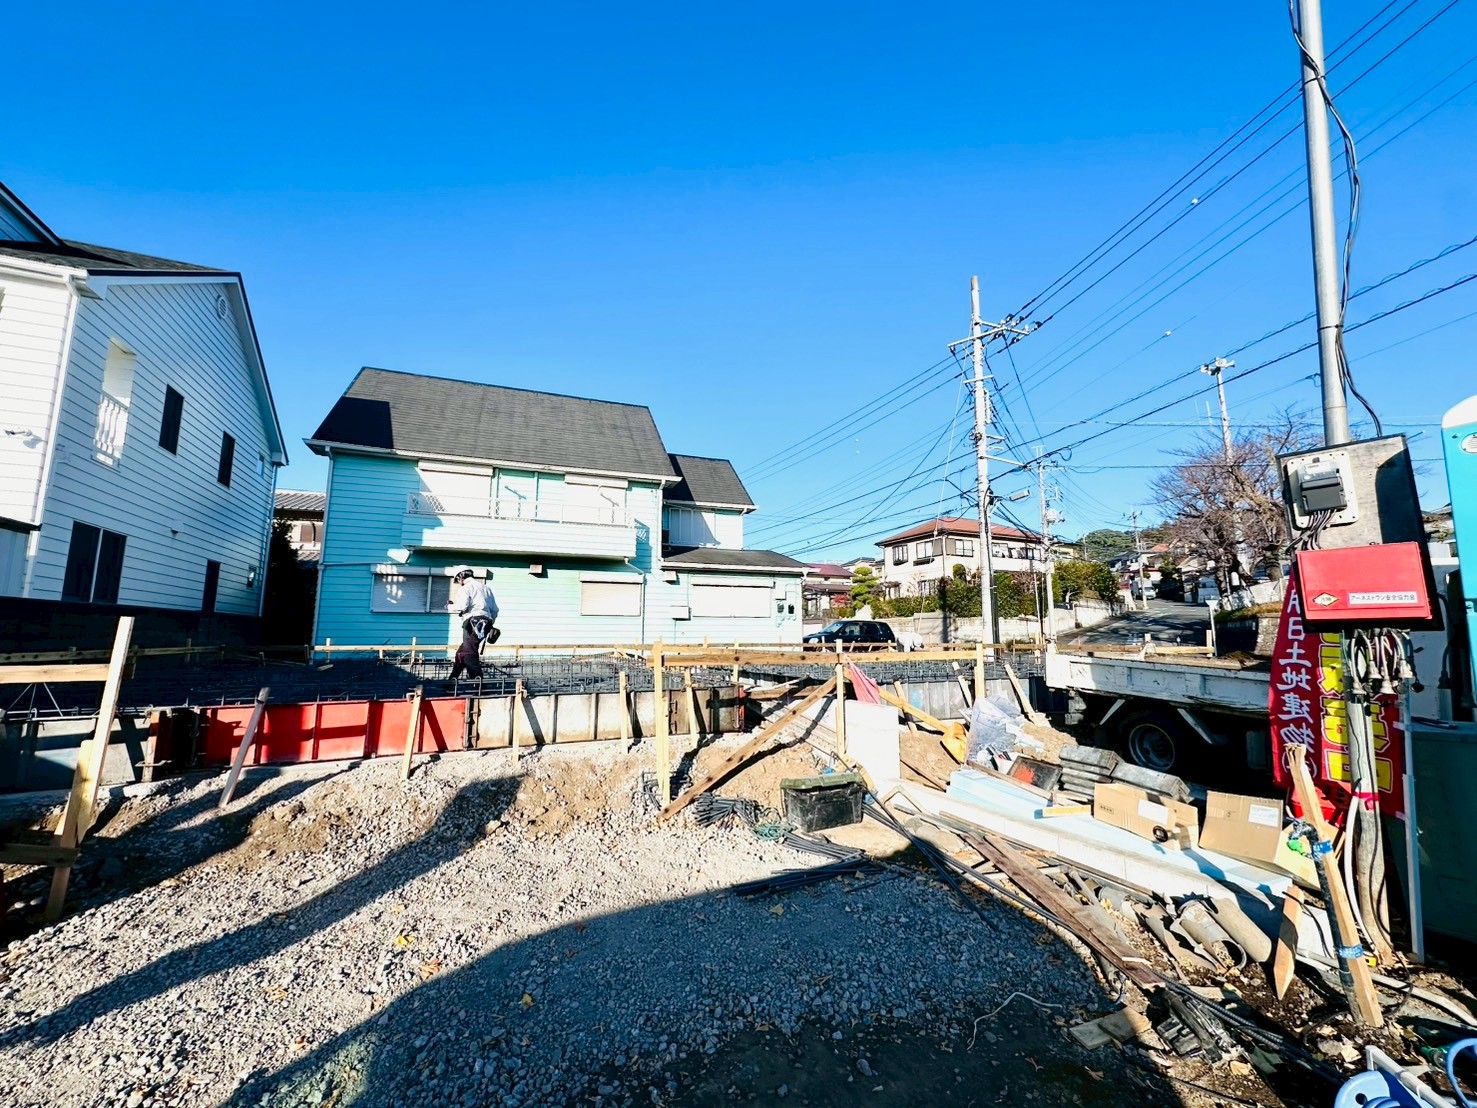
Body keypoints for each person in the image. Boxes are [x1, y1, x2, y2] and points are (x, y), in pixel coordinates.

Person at [447, 568, 499, 682]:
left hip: (472, 623)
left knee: (469, 653)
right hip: (486, 623)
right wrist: (489, 625)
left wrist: (449, 606)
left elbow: (461, 606)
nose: (458, 582)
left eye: (457, 579)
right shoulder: (486, 589)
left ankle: (478, 686)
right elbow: (495, 610)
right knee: (461, 652)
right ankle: (451, 681)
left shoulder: (466, 587)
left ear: (461, 576)